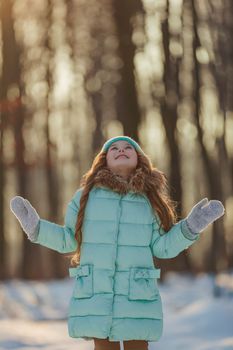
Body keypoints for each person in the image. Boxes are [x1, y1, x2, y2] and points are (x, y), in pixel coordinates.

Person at [10, 136, 225, 350]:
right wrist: (36, 228)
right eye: (114, 148)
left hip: (137, 294)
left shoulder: (148, 200)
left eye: (127, 148)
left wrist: (191, 227)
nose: (121, 150)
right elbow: (69, 240)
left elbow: (163, 247)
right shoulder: (86, 197)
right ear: (104, 160)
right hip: (97, 291)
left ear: (139, 159)